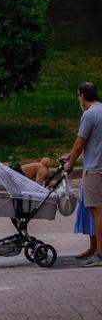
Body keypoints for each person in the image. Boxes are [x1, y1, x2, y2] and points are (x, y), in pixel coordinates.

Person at [59, 81, 102, 267]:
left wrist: (70, 163)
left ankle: (100, 254)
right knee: (96, 209)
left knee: (97, 210)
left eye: (78, 95)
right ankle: (95, 249)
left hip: (95, 168)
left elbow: (80, 143)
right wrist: (70, 155)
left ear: (83, 96)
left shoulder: (89, 114)